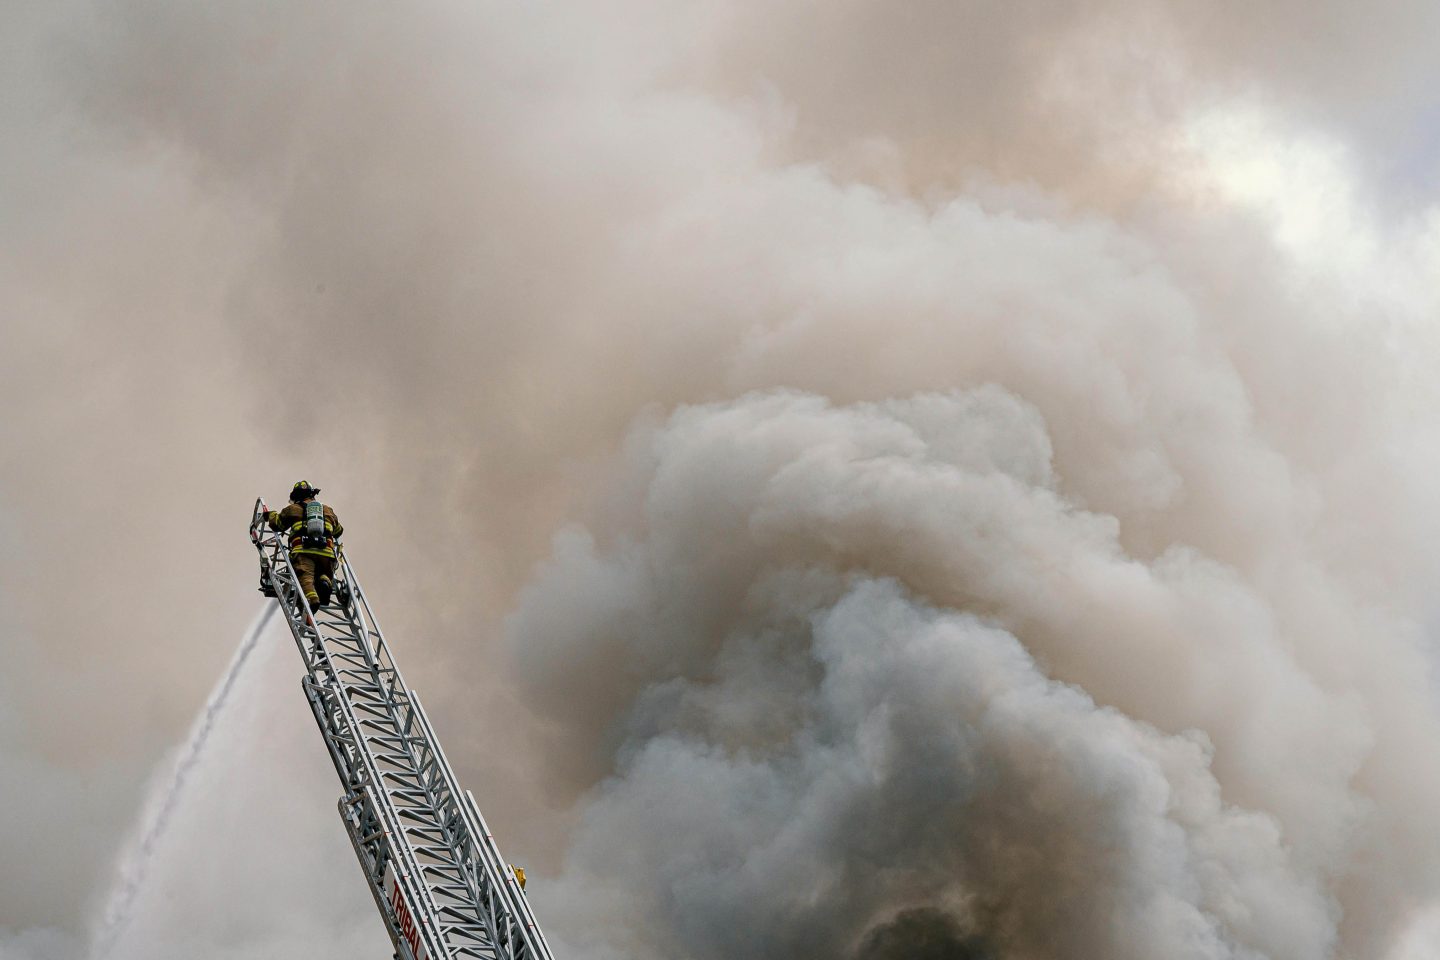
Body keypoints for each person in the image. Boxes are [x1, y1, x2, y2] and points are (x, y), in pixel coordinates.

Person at [266, 480, 343, 611]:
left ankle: (312, 601)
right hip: (327, 553)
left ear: (296, 496)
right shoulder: (328, 510)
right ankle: (324, 580)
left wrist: (271, 514)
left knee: (305, 577)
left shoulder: (292, 509)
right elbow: (338, 531)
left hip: (304, 552)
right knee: (324, 573)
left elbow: (277, 524)